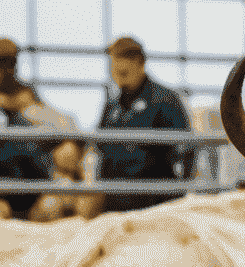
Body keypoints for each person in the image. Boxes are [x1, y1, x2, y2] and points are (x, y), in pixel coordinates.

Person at [96, 36, 192, 213]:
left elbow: (184, 149)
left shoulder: (165, 100)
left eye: (122, 68)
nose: (116, 71)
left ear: (139, 62)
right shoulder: (112, 105)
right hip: (115, 201)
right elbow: (100, 144)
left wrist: (178, 195)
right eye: (113, 67)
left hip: (153, 200)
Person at [0, 38, 83, 221]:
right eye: (1, 63)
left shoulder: (25, 95)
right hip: (4, 184)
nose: (6, 70)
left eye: (10, 63)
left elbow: (64, 124)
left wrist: (25, 108)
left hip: (31, 178)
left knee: (68, 154)